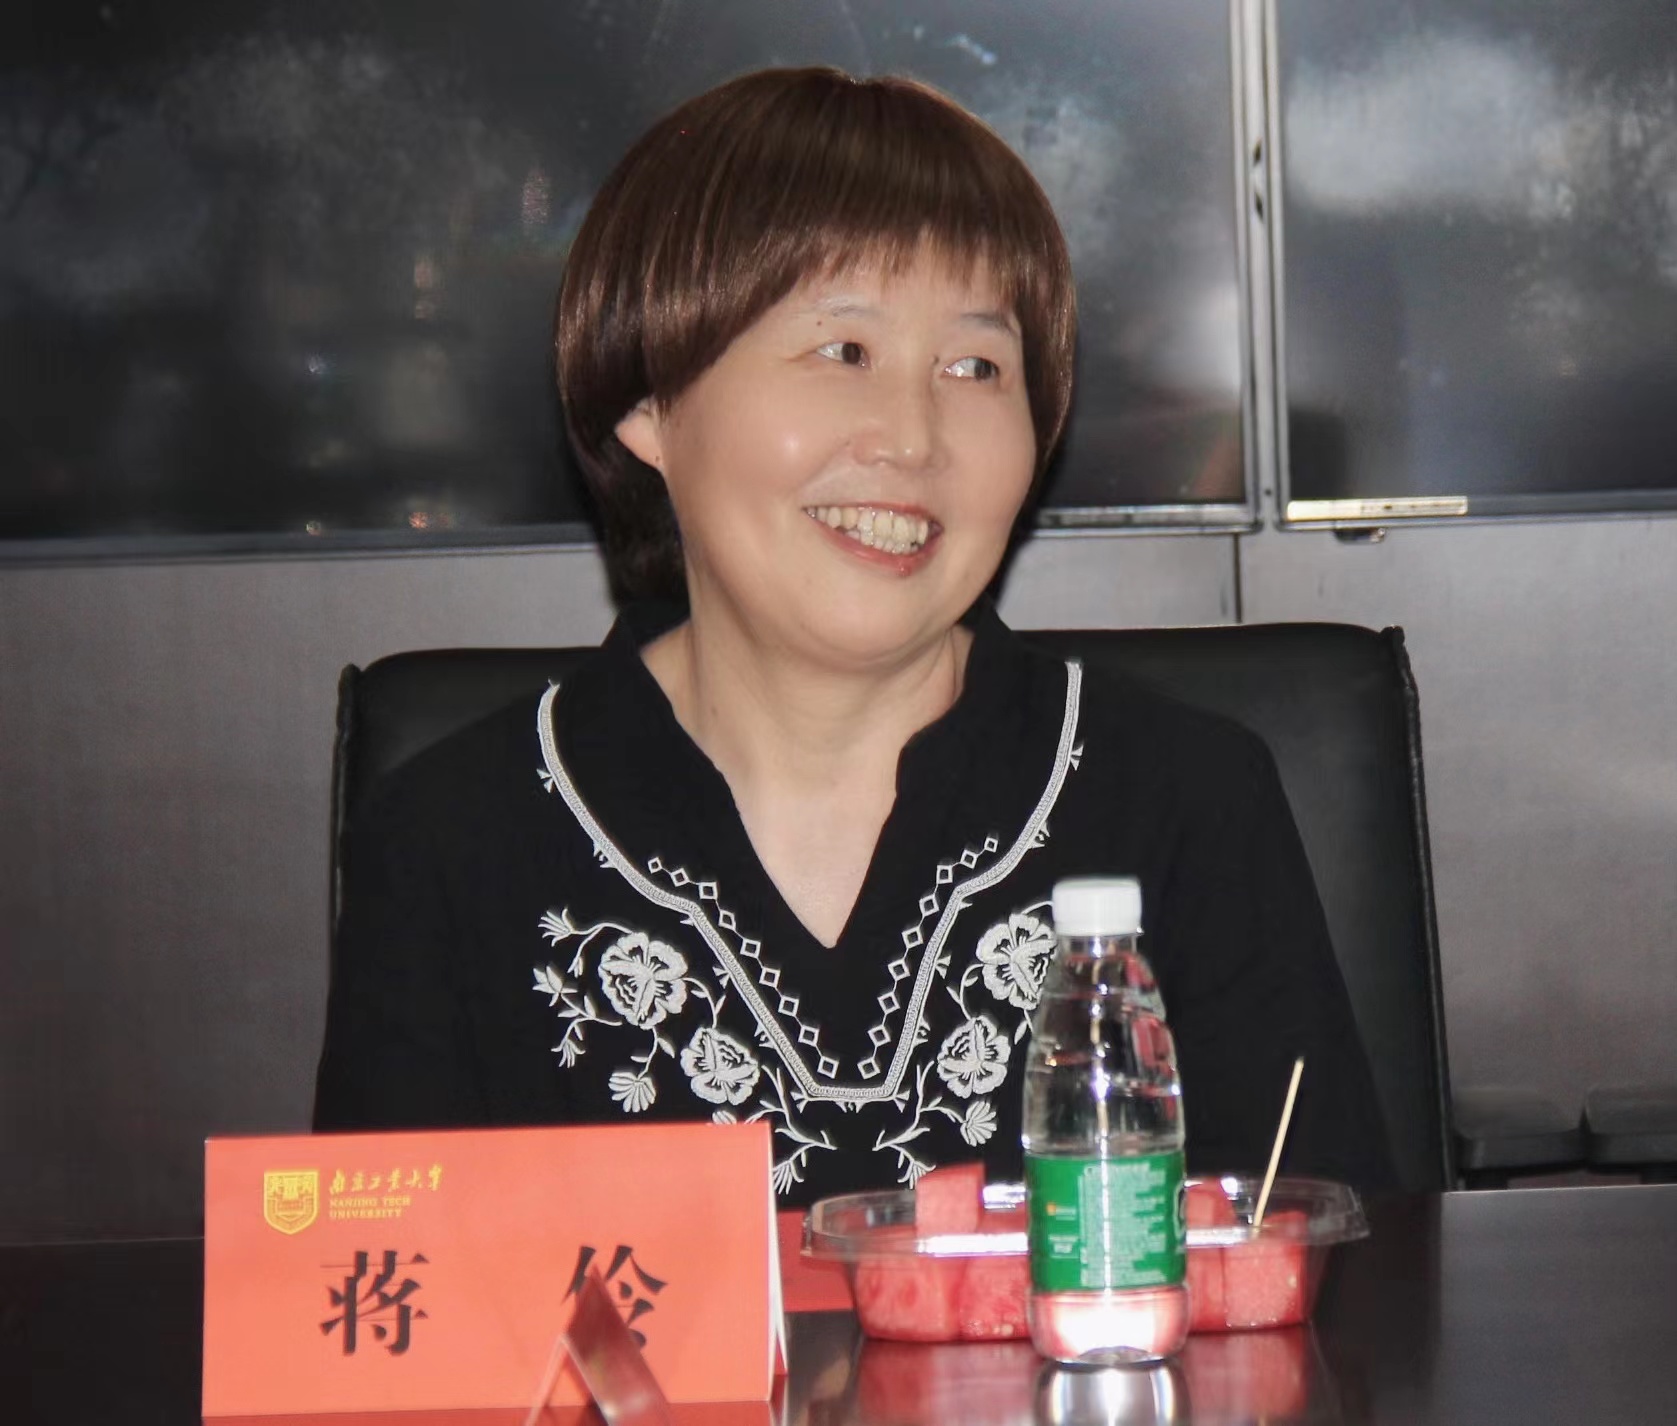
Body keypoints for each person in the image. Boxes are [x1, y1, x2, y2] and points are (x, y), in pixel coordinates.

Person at [314, 67, 1396, 1202]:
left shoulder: (1184, 800)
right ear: (647, 402)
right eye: (844, 352)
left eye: (975, 367)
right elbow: (381, 1298)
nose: (912, 437)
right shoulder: (452, 844)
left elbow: (1320, 1278)